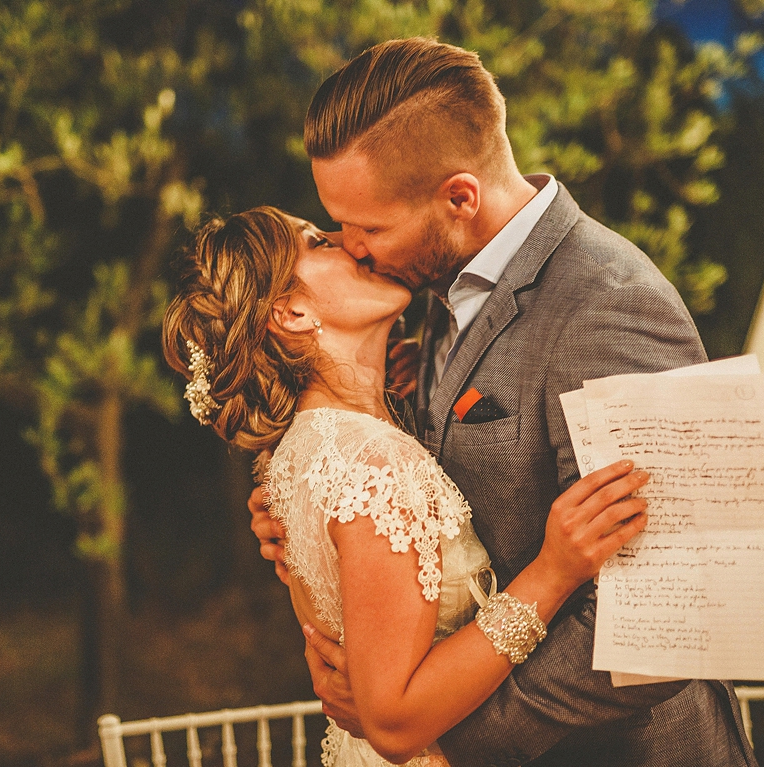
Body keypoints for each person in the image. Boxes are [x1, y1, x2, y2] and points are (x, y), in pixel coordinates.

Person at [248, 38, 759, 767]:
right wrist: (317, 528)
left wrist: (451, 740)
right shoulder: (428, 289)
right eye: (340, 227)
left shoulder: (613, 305)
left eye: (369, 228)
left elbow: (670, 611)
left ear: (460, 196)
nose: (353, 249)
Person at [162, 206, 651, 767]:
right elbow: (394, 722)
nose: (352, 243)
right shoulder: (372, 463)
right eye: (320, 242)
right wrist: (552, 573)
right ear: (291, 311)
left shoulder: (294, 455)